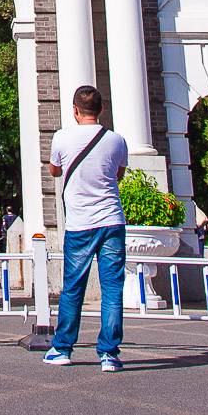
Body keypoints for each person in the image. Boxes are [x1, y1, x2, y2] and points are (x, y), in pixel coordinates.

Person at [43, 85, 129, 374]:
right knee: (113, 289)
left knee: (73, 288)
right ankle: (109, 354)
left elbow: (55, 170)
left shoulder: (61, 137)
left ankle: (63, 348)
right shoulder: (116, 140)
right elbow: (118, 174)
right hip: (112, 222)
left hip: (80, 225)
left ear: (75, 110)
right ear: (102, 110)